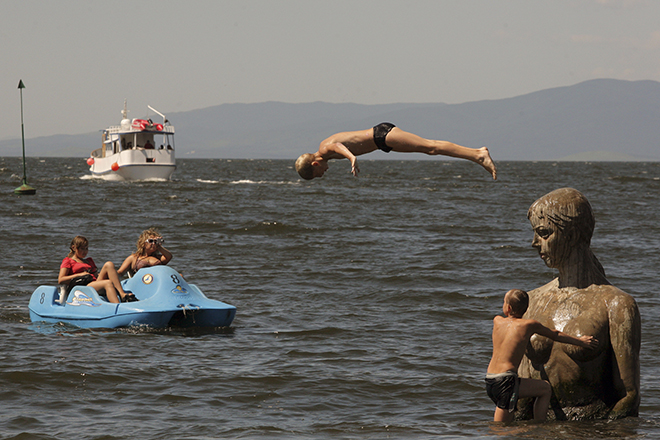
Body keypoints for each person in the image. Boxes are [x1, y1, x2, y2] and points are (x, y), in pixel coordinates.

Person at [518, 188, 641, 420]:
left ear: (572, 236)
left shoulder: (616, 304)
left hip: (590, 426)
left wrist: (605, 432)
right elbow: (521, 384)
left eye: (543, 233)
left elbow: (628, 395)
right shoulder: (531, 300)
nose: (534, 243)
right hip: (537, 429)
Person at [486, 289, 598, 423]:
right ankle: (537, 428)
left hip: (490, 380)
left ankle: (536, 428)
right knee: (501, 429)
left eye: (504, 302)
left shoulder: (497, 321)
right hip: (506, 382)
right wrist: (580, 341)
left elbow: (510, 339)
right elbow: (555, 334)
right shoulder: (528, 325)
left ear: (508, 308)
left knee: (544, 388)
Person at [294, 123, 497, 180]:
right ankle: (476, 155)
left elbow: (338, 146)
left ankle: (478, 154)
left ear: (315, 164)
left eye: (318, 174)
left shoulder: (324, 148)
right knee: (429, 150)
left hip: (381, 135)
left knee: (430, 147)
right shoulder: (324, 151)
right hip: (382, 142)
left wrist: (351, 157)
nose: (323, 174)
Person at [58, 236, 135, 304]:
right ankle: (117, 307)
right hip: (82, 286)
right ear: (74, 247)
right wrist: (80, 274)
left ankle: (122, 294)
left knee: (109, 264)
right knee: (107, 283)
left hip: (93, 283)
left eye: (86, 248)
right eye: (82, 249)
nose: (85, 251)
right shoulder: (68, 261)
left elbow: (95, 276)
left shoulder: (89, 261)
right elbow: (61, 279)